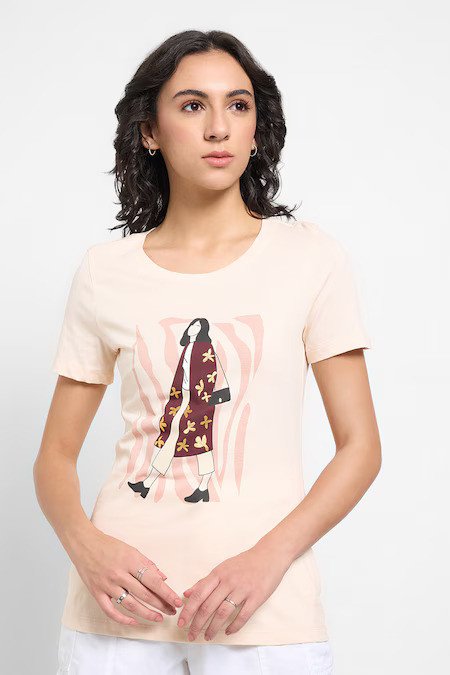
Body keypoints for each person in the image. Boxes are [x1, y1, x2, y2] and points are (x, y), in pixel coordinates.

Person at [34, 29, 381, 675]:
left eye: (238, 105)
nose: (219, 126)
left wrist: (266, 560)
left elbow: (360, 447)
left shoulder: (311, 258)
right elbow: (54, 453)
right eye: (192, 105)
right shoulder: (105, 271)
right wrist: (86, 547)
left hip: (265, 612)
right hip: (120, 609)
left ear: (256, 129)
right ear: (150, 131)